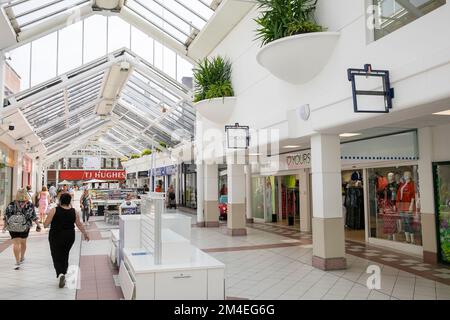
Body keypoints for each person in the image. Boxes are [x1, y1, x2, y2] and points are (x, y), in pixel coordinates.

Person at [44, 193, 89, 288]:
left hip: (55, 235)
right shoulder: (74, 211)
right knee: (65, 254)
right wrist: (85, 233)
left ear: (60, 200)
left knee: (56, 255)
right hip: (69, 236)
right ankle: (63, 272)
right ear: (69, 201)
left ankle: (60, 273)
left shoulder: (54, 210)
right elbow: (79, 224)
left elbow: (45, 224)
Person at [2, 189, 42, 270]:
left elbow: (6, 216)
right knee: (23, 242)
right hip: (25, 227)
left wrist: (4, 226)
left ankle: (17, 262)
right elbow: (33, 216)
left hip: (13, 227)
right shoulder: (29, 204)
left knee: (16, 243)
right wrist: (38, 225)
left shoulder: (11, 204)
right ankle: (22, 257)